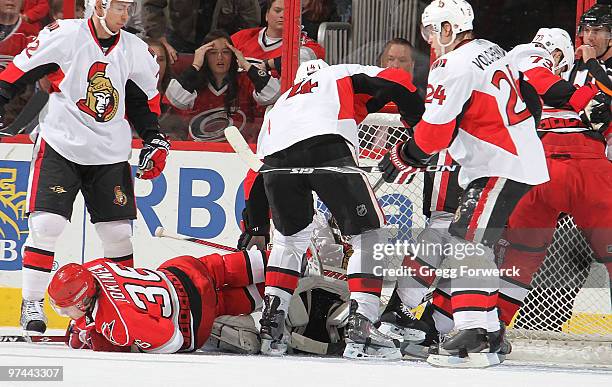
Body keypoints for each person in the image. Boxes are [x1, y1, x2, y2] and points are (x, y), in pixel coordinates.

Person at [378, 0, 550, 366]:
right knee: (468, 242)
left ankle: (472, 333)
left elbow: (436, 132)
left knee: (465, 245)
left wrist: (403, 155)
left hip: (499, 163)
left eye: (432, 30)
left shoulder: (450, 65)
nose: (431, 40)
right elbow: (531, 100)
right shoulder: (490, 48)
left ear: (448, 28)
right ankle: (486, 330)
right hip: (515, 158)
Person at [0, 0, 170, 335]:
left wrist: (154, 139)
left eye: (129, 8)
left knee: (118, 235)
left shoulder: (136, 51)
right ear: (98, 6)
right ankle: (32, 301)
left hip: (109, 153)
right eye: (120, 7)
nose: (126, 14)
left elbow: (142, 104)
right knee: (47, 224)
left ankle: (122, 305)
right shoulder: (64, 35)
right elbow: (15, 75)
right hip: (61, 144)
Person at [254, 58, 424, 360]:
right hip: (327, 144)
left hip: (274, 162)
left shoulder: (282, 101)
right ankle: (363, 330)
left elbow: (258, 178)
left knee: (288, 241)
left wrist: (253, 224)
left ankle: (271, 328)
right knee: (370, 235)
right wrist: (418, 126)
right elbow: (398, 78)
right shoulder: (338, 74)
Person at [495, 28, 612, 327]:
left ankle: (489, 330)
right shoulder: (573, 82)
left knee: (518, 259)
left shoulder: (512, 78)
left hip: (536, 167)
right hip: (588, 166)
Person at [49, 249, 267, 353]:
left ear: (82, 302)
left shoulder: (117, 323)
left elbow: (172, 341)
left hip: (195, 318)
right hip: (181, 271)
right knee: (220, 267)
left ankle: (268, 295)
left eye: (65, 309)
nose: (65, 314)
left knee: (224, 304)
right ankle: (280, 266)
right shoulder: (94, 267)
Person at [162, 30, 273, 142]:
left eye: (225, 52)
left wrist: (246, 64)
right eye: (213, 53)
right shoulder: (193, 82)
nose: (220, 57)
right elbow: (175, 98)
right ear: (204, 56)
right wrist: (195, 65)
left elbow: (273, 94)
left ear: (233, 55)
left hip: (238, 153)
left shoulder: (245, 79)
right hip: (198, 152)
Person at [142, 0, 261, 62]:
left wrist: (235, 50)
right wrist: (159, 39)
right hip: (177, 44)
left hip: (220, 46)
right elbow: (151, 6)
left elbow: (250, 21)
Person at [231, 0, 325, 71]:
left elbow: (308, 57)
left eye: (287, 12)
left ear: (297, 17)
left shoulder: (306, 44)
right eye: (277, 10)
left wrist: (268, 64)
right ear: (267, 15)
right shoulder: (242, 37)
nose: (282, 15)